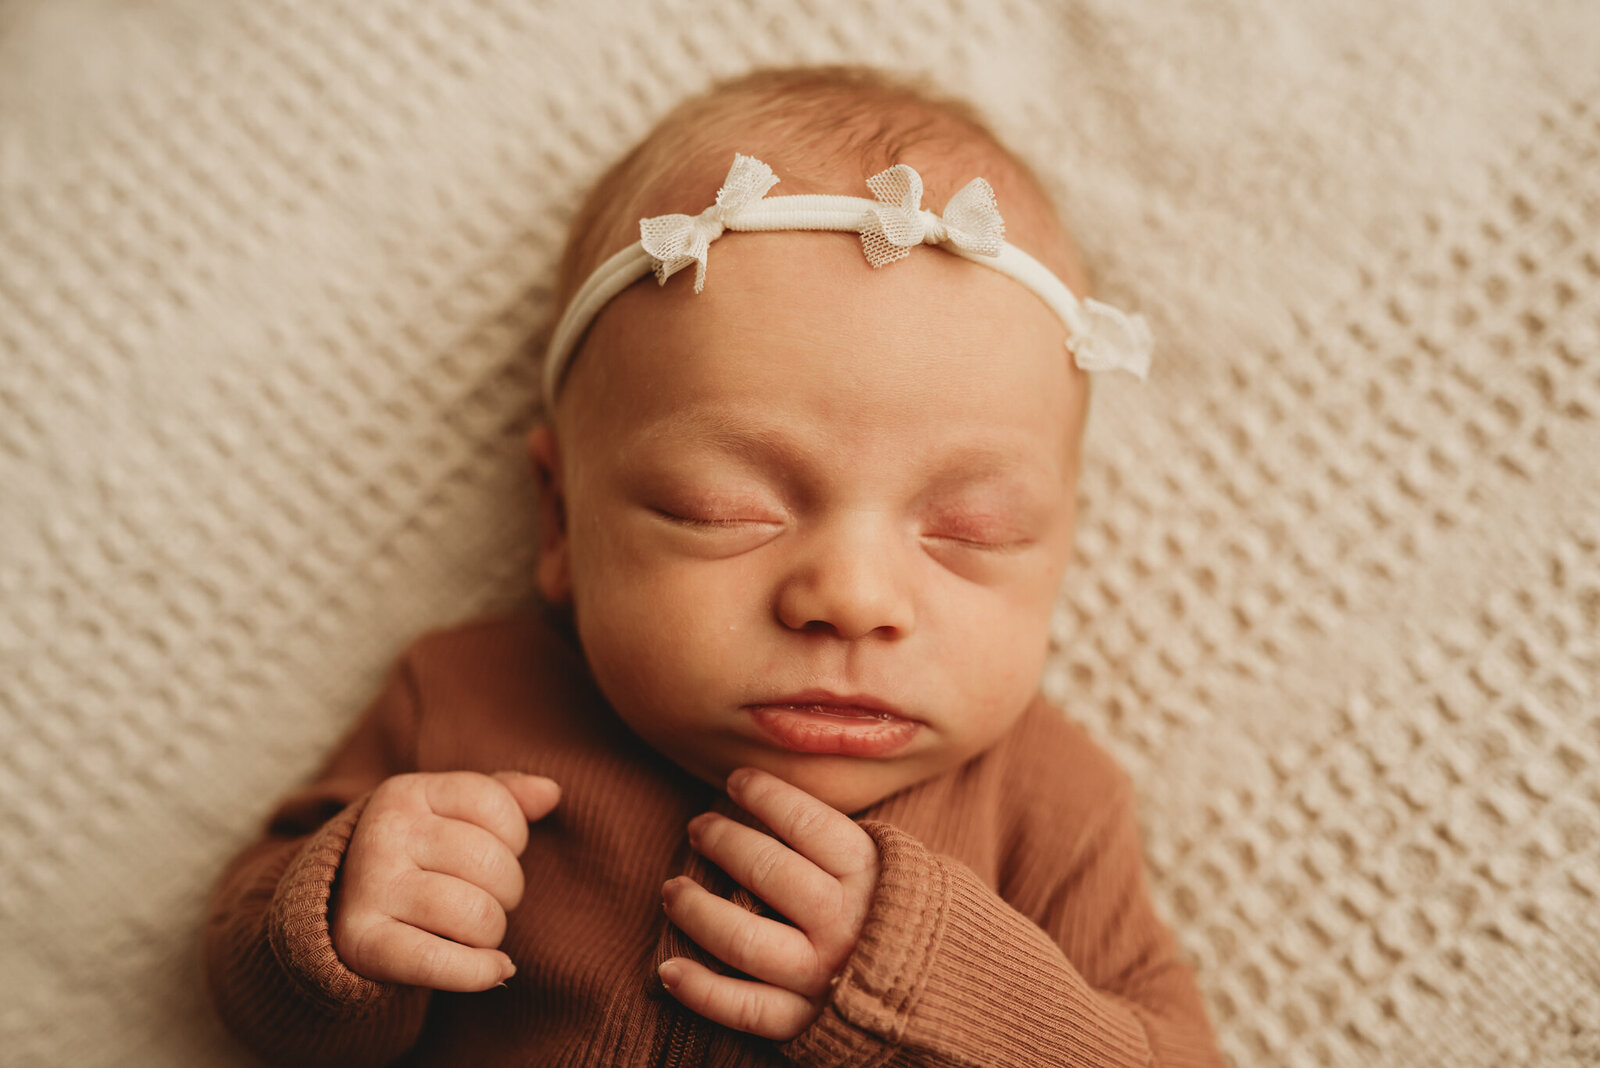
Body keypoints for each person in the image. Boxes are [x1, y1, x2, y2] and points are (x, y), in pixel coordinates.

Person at [204, 65, 1221, 1067]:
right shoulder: (468, 703)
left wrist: (942, 984)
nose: (852, 599)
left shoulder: (1049, 805)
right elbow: (255, 992)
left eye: (970, 530)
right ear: (559, 521)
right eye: (723, 511)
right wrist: (339, 918)